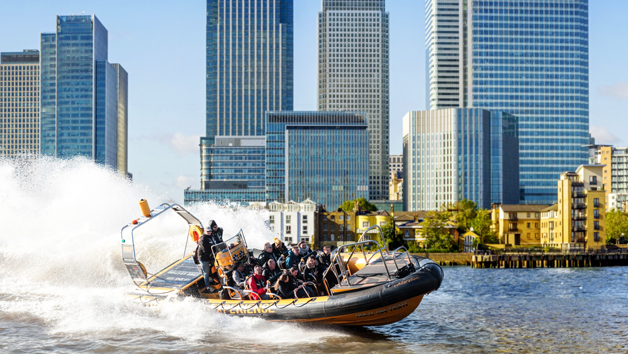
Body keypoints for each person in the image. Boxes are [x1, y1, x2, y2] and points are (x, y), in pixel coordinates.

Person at [196, 221, 223, 293]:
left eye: (210, 231)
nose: (209, 232)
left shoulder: (211, 236)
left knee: (217, 267)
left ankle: (219, 281)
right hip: (204, 258)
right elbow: (205, 250)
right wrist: (212, 254)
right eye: (207, 231)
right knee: (206, 272)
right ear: (204, 231)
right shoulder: (202, 239)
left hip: (211, 256)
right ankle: (208, 287)